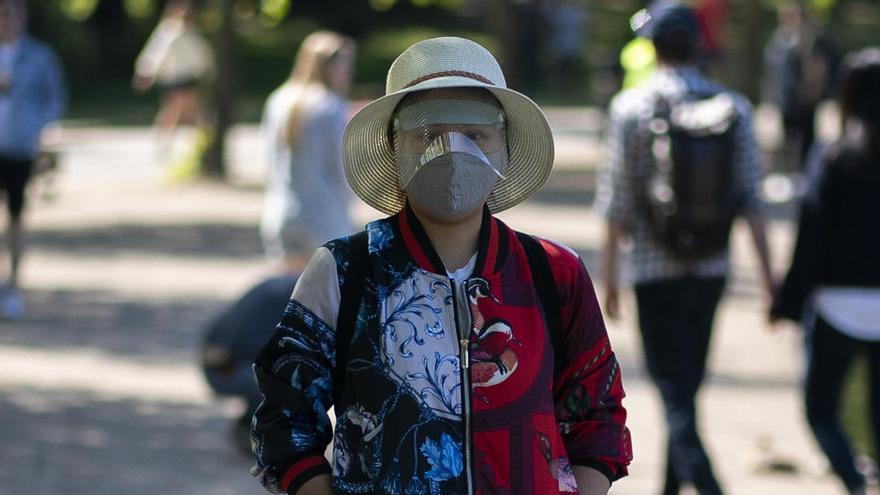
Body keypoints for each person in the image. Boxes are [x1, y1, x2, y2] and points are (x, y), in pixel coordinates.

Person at [250, 36, 632, 495]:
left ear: (504, 147)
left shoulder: (553, 271)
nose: (452, 152)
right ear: (395, 148)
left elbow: (598, 410)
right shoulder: (344, 272)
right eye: (428, 135)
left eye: (475, 135)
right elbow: (283, 415)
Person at [595, 6, 773, 495]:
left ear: (652, 48)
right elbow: (753, 200)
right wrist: (769, 280)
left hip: (655, 271)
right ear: (699, 46)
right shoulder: (734, 108)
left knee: (674, 393)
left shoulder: (630, 108)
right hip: (713, 268)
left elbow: (616, 202)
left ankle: (709, 486)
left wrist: (610, 279)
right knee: (687, 388)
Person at [770, 47, 880, 495]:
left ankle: (854, 482)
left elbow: (810, 236)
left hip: (835, 305)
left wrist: (788, 303)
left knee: (820, 410)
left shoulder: (833, 156)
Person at [260, 31, 356, 274]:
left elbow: (270, 161)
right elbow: (341, 168)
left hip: (281, 211)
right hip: (323, 216)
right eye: (345, 66)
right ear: (331, 67)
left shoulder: (278, 100)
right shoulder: (331, 108)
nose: (348, 74)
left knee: (287, 297)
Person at [0, 0, 66, 319]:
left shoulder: (39, 56)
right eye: (2, 12)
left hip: (18, 147)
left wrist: (44, 138)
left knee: (15, 217)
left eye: (13, 12)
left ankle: (13, 285)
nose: (8, 18)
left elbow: (54, 101)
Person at [201, 274, 298, 455]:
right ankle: (254, 430)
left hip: (226, 360)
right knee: (278, 382)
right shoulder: (286, 294)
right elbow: (227, 349)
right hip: (225, 367)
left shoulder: (282, 287)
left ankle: (255, 426)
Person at [132, 0, 213, 145]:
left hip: (188, 77)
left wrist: (207, 69)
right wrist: (146, 71)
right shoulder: (168, 32)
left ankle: (204, 142)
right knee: (175, 111)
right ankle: (165, 140)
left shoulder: (191, 32)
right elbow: (156, 53)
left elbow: (201, 55)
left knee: (190, 110)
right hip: (174, 78)